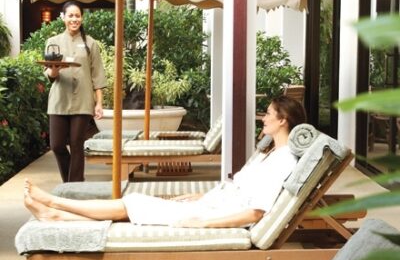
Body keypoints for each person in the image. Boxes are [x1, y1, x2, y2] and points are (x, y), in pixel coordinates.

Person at [24, 96, 307, 228]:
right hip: (209, 205)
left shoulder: (282, 161)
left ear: (283, 121)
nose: (264, 117)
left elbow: (255, 213)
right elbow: (237, 189)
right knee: (131, 208)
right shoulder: (267, 153)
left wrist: (205, 224)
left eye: (269, 114)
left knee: (130, 205)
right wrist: (201, 195)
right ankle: (56, 215)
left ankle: (56, 204)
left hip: (208, 216)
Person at [44, 0, 107, 182]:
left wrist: (99, 103)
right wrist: (54, 70)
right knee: (56, 145)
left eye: (77, 16)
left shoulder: (90, 43)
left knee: (76, 144)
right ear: (63, 17)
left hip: (83, 100)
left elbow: (98, 74)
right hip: (59, 100)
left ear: (82, 18)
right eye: (70, 15)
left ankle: (75, 185)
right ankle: (70, 182)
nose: (74, 19)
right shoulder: (53, 42)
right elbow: (49, 73)